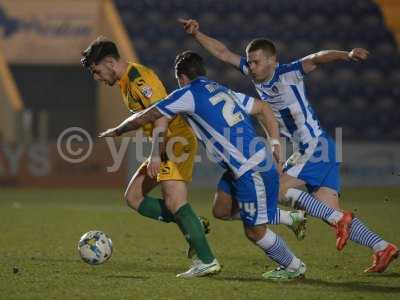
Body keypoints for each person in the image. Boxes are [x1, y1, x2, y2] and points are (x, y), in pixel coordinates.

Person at [98, 51, 356, 280]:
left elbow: (151, 114)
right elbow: (262, 107)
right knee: (221, 209)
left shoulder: (186, 93)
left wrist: (119, 129)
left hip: (249, 168)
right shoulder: (219, 89)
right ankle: (291, 218)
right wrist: (275, 143)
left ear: (182, 77)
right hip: (244, 165)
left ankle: (293, 265)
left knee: (254, 230)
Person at [179, 19, 399, 273]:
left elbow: (317, 57)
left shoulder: (289, 72)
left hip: (313, 148)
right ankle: (382, 247)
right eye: (249, 62)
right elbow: (223, 53)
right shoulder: (255, 76)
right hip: (320, 148)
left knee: (279, 190)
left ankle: (302, 231)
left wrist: (346, 55)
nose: (250, 67)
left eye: (256, 62)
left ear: (272, 61)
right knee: (330, 213)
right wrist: (197, 34)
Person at [81, 37, 219, 277]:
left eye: (96, 71)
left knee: (175, 203)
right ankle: (193, 222)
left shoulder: (139, 79)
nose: (97, 78)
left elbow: (160, 115)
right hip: (165, 145)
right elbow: (143, 116)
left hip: (174, 143)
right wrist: (120, 130)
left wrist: (156, 154)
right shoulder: (125, 82)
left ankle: (207, 260)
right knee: (134, 197)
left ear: (111, 62)